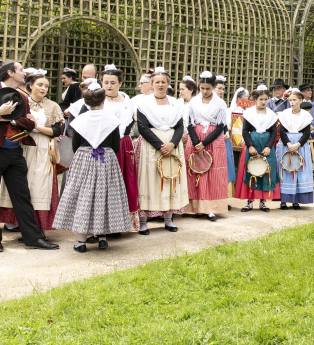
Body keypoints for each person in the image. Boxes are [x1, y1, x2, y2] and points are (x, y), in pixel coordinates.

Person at [0, 60, 59, 252]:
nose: (24, 73)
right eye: (21, 70)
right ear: (10, 73)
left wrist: (14, 120)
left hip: (15, 151)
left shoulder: (22, 97)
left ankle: (32, 238)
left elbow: (28, 123)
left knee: (22, 195)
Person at [53, 80, 131, 252]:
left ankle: (81, 241)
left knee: (83, 197)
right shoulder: (111, 120)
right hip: (106, 159)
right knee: (105, 196)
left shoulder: (80, 120)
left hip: (84, 158)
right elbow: (115, 147)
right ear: (104, 101)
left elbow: (75, 145)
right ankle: (102, 237)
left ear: (86, 102)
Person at [0, 69, 63, 235]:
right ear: (30, 85)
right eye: (40, 85)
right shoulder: (21, 102)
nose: (43, 88)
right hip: (23, 145)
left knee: (39, 185)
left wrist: (36, 127)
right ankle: (14, 221)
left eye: (46, 86)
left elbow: (57, 130)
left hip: (41, 147)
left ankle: (36, 224)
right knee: (20, 184)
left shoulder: (52, 106)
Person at [135, 68, 188, 234]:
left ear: (168, 84)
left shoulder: (175, 103)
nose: (160, 85)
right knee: (149, 179)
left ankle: (168, 218)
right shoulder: (143, 104)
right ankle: (143, 222)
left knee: (170, 178)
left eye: (163, 82)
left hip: (172, 146)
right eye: (156, 82)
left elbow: (180, 126)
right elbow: (142, 128)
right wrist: (160, 145)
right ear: (151, 84)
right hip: (152, 146)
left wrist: (172, 144)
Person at [96, 66, 138, 232]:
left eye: (113, 83)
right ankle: (102, 224)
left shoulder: (127, 101)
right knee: (104, 183)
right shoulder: (97, 99)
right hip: (102, 144)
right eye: (105, 82)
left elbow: (129, 123)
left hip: (122, 144)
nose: (109, 86)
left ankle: (121, 223)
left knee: (124, 180)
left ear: (120, 83)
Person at [186, 71, 228, 221]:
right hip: (195, 137)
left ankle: (211, 208)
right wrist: (197, 142)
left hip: (212, 139)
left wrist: (204, 143)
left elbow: (220, 126)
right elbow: (190, 124)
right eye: (202, 88)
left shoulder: (220, 104)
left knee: (212, 173)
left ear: (213, 87)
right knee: (196, 170)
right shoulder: (193, 102)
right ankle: (196, 207)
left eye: (208, 89)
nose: (204, 91)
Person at [236, 86, 280, 210]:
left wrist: (268, 147)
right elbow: (244, 131)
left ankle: (263, 202)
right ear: (255, 99)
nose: (263, 102)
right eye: (261, 99)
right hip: (253, 146)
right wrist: (250, 146)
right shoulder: (249, 114)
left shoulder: (271, 115)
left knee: (266, 171)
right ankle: (249, 201)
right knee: (252, 170)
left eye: (266, 99)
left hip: (266, 147)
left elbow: (273, 133)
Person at [277, 89, 314, 206]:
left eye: (294, 100)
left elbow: (306, 132)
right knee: (286, 169)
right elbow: (282, 131)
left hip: (300, 145)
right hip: (286, 145)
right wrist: (288, 144)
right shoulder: (285, 114)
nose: (292, 102)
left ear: (300, 100)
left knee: (299, 170)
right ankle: (283, 200)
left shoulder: (305, 116)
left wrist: (297, 145)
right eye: (290, 100)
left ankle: (296, 200)